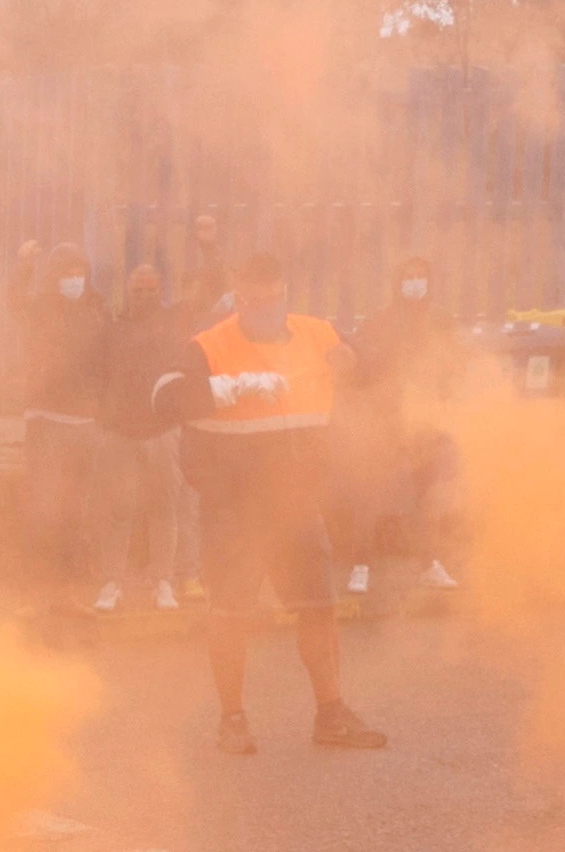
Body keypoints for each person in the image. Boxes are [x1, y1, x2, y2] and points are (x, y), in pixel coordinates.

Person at [146, 247, 386, 753]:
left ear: (285, 294)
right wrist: (229, 388)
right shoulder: (208, 347)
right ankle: (232, 719)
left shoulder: (318, 334)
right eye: (255, 300)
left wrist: (356, 361)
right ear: (237, 297)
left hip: (297, 502)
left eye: (274, 298)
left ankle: (331, 715)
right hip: (233, 508)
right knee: (231, 613)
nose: (266, 308)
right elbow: (162, 401)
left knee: (319, 606)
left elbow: (374, 370)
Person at [344, 253, 462, 595]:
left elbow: (455, 365)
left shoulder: (441, 321)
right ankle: (360, 566)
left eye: (421, 276)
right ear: (398, 283)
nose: (415, 283)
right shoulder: (378, 322)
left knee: (427, 496)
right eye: (408, 276)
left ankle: (429, 564)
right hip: (385, 419)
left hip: (426, 418)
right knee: (370, 492)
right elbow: (360, 369)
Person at [10, 239, 117, 605]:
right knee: (44, 497)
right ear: (55, 275)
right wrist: (24, 267)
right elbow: (14, 302)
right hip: (47, 414)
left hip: (85, 419)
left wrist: (103, 404)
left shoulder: (97, 308)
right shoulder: (41, 306)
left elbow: (108, 358)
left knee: (78, 499)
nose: (75, 279)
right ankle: (39, 571)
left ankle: (71, 569)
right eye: (68, 272)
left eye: (80, 272)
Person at [106, 262, 191, 614]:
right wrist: (104, 417)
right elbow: (98, 372)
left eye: (151, 290)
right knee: (117, 509)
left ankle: (163, 583)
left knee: (164, 508)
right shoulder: (114, 329)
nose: (144, 296)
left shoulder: (174, 324)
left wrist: (208, 247)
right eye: (138, 290)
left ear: (161, 291)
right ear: (128, 291)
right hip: (121, 431)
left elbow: (210, 290)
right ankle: (112, 583)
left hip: (163, 430)